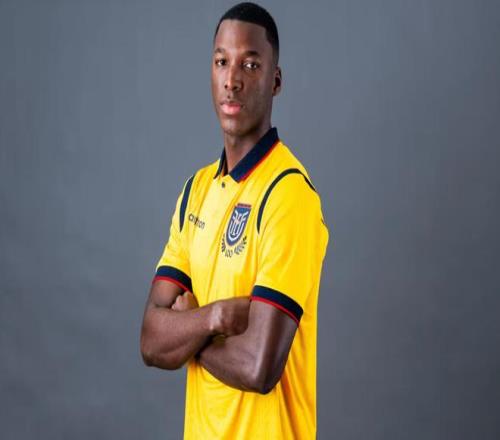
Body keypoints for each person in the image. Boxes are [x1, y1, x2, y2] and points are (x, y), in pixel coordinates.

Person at [140, 2, 329, 438]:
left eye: (250, 64)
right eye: (222, 62)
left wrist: (189, 332)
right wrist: (217, 317)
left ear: (275, 81)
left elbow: (260, 366)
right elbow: (151, 340)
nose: (232, 79)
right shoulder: (196, 191)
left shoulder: (288, 194)